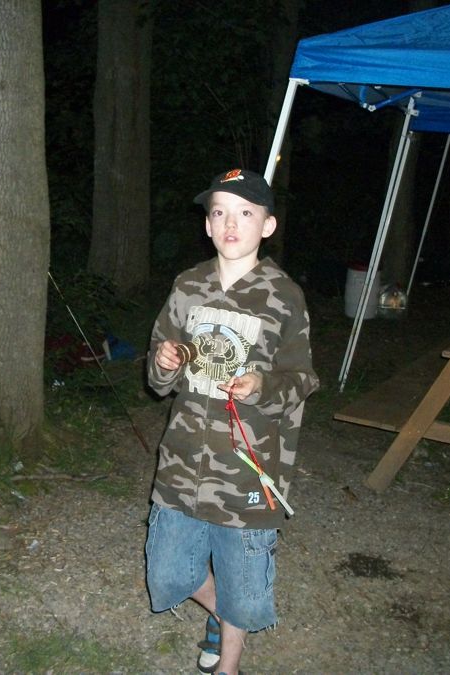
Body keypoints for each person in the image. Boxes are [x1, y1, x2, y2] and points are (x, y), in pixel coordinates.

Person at [145, 168, 319, 674]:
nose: (230, 223)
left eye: (245, 212)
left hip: (249, 468)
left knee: (244, 585)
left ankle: (228, 664)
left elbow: (302, 379)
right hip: (181, 465)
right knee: (169, 574)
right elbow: (158, 374)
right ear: (207, 224)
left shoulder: (284, 295)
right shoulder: (188, 285)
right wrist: (163, 363)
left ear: (268, 225)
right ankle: (223, 617)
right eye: (219, 212)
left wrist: (262, 385)